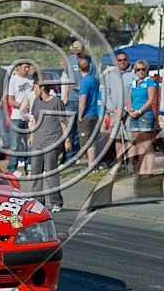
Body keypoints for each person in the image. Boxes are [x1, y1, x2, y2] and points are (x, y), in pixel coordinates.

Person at [29, 80, 70, 212]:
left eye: (34, 87)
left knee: (51, 173)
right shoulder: (36, 101)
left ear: (42, 88)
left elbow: (63, 123)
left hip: (51, 142)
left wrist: (67, 140)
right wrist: (31, 136)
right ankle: (38, 201)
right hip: (38, 142)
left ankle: (56, 201)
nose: (33, 89)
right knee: (36, 172)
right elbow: (34, 119)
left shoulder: (56, 102)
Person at [63, 41, 95, 162]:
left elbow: (92, 78)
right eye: (76, 53)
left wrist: (82, 87)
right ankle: (68, 157)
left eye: (80, 52)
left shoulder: (90, 61)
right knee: (69, 130)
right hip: (71, 99)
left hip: (84, 99)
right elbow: (66, 78)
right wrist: (65, 95)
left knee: (81, 129)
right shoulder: (70, 60)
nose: (78, 55)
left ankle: (78, 155)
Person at [126, 60, 157, 176]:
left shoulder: (150, 82)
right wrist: (130, 109)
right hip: (134, 115)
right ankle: (142, 168)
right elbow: (129, 98)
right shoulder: (134, 83)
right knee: (139, 144)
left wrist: (140, 111)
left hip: (145, 115)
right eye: (138, 69)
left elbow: (151, 99)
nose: (141, 72)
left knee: (146, 143)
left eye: (143, 69)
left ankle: (149, 170)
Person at [103, 50, 135, 163]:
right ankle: (119, 162)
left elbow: (135, 94)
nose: (122, 62)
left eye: (124, 60)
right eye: (120, 60)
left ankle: (130, 164)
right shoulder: (110, 75)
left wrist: (126, 109)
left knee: (130, 138)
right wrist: (113, 109)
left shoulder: (133, 74)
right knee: (117, 138)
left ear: (128, 60)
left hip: (129, 112)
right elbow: (106, 94)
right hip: (115, 113)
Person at [7, 63, 33, 175]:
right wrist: (23, 106)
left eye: (28, 67)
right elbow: (11, 101)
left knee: (30, 144)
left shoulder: (31, 80)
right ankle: (12, 168)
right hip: (16, 117)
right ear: (18, 68)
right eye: (24, 67)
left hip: (29, 117)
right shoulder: (13, 80)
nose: (27, 69)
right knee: (14, 145)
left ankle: (29, 167)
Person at [78, 57, 101, 172]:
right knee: (92, 140)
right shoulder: (95, 79)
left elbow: (83, 99)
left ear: (79, 68)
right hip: (95, 112)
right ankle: (92, 163)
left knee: (85, 140)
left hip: (87, 113)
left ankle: (90, 164)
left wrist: (80, 115)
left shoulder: (84, 81)